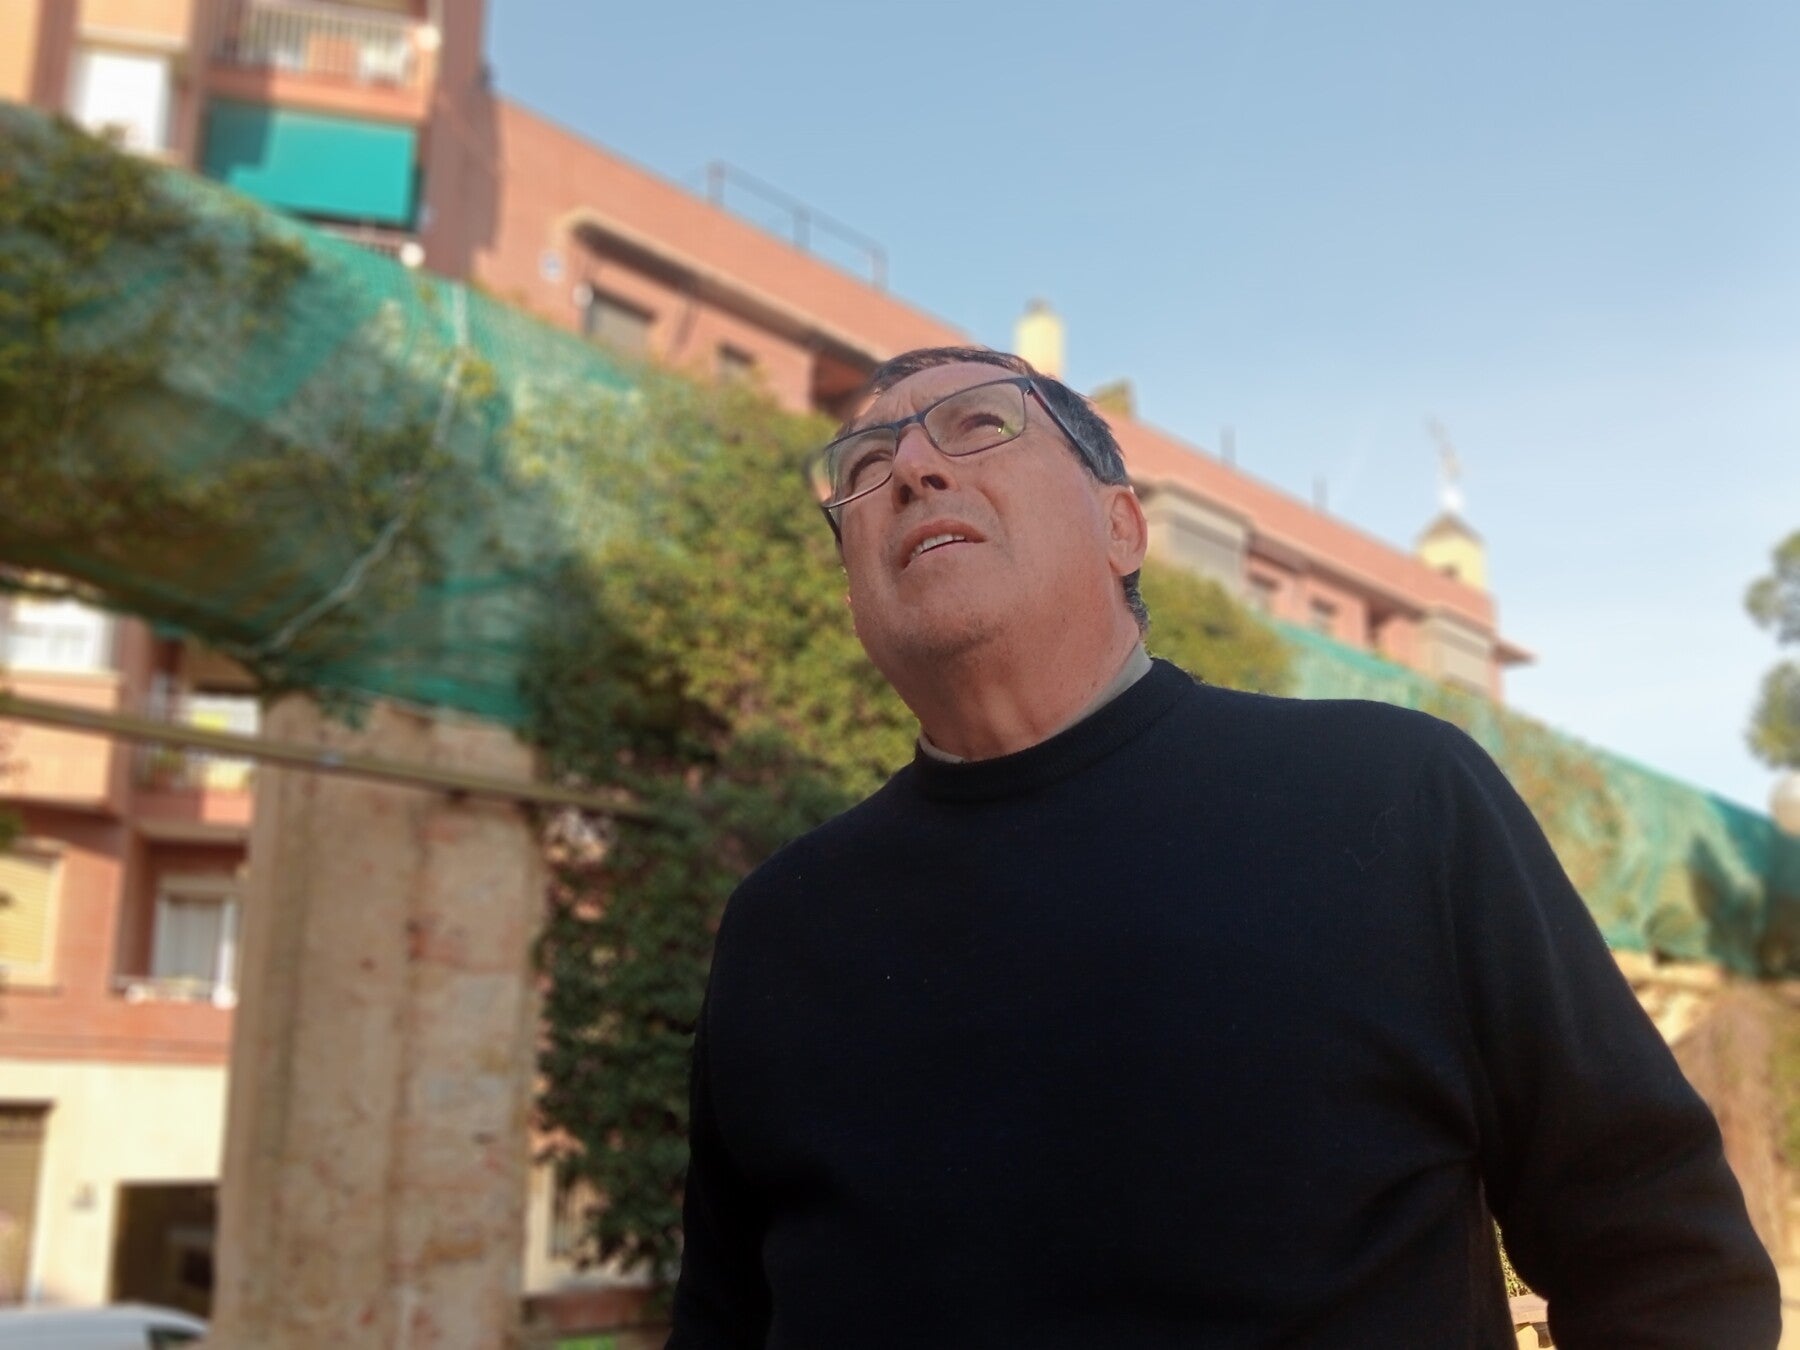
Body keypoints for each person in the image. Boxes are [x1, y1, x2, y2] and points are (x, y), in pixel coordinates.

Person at [665, 346, 1779, 1349]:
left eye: (977, 425)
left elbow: (1661, 1255)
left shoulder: (1392, 798)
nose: (911, 468)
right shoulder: (779, 926)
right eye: (865, 465)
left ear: (1122, 526)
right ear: (853, 585)